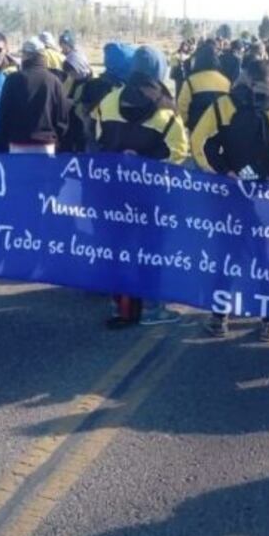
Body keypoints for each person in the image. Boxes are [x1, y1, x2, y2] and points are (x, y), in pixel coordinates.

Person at [190, 57, 269, 341]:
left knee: (227, 255)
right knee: (268, 259)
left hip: (229, 196)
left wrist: (223, 171)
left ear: (243, 79)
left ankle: (219, 317)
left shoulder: (221, 107)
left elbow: (198, 143)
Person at [94, 45, 189, 328]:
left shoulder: (108, 102)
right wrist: (146, 160)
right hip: (152, 194)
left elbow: (99, 140)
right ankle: (150, 307)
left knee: (118, 244)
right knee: (151, 246)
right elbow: (178, 152)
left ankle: (119, 304)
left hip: (114, 190)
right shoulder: (167, 110)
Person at [0, 37, 70, 155]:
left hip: (18, 143)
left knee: (20, 174)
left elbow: (3, 113)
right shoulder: (54, 81)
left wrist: (7, 137)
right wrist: (56, 138)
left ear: (27, 55)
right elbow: (62, 117)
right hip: (46, 145)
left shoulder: (13, 80)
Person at [177, 42, 231, 132]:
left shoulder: (191, 81)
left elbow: (182, 105)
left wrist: (185, 123)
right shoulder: (225, 82)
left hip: (196, 127)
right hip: (219, 129)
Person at [60, 51, 93, 153]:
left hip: (83, 127)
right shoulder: (69, 81)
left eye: (73, 71)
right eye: (69, 72)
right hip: (67, 126)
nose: (71, 74)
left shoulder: (93, 83)